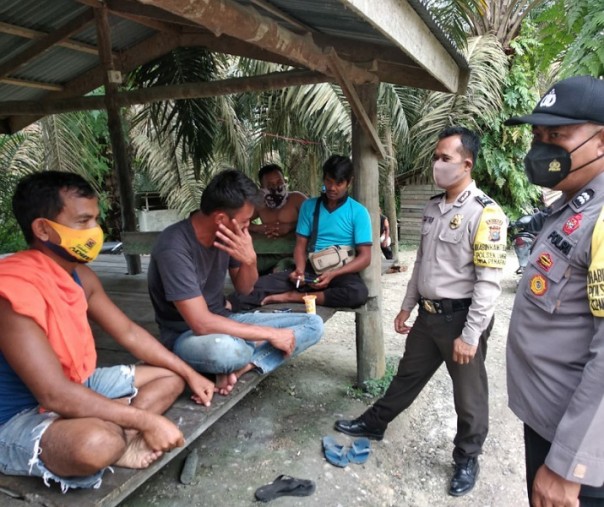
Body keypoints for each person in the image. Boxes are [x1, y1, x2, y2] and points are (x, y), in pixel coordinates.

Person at [0, 171, 215, 491]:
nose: (95, 231)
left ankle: (122, 442)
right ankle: (115, 439)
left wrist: (189, 373)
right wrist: (147, 420)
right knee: (95, 443)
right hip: (17, 416)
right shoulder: (12, 290)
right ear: (43, 229)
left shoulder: (81, 276)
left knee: (170, 377)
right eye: (83, 221)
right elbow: (53, 393)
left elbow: (128, 332)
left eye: (95, 220)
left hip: (75, 385)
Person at [334, 126, 507, 497]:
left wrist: (471, 335)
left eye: (445, 158)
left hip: (461, 319)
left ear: (466, 163)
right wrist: (407, 306)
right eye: (436, 157)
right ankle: (375, 423)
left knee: (469, 395)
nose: (436, 164)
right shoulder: (432, 206)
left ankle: (467, 457)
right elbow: (422, 264)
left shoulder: (486, 214)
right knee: (407, 376)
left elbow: (489, 283)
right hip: (428, 317)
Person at [504, 75, 604, 506]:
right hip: (551, 424)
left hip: (580, 452)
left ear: (601, 142)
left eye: (558, 135)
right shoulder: (571, 204)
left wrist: (568, 464)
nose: (542, 147)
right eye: (537, 135)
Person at [147, 169, 323, 396]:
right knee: (227, 351)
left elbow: (245, 288)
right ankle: (240, 358)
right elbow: (200, 323)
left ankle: (245, 366)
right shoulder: (174, 247)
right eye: (245, 221)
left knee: (313, 324)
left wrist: (250, 260)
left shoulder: (226, 235)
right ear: (221, 219)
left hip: (226, 320)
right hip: (187, 334)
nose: (248, 226)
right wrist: (269, 334)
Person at [228, 155, 371, 310]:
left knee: (358, 293)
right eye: (329, 181)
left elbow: (365, 257)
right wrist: (300, 271)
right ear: (323, 179)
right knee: (252, 289)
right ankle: (223, 308)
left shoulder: (358, 212)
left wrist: (333, 275)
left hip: (341, 273)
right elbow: (300, 246)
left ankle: (293, 297)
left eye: (339, 183)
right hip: (311, 270)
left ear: (349, 182)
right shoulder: (309, 206)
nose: (332, 187)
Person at [248, 164, 307, 275]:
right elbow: (237, 222)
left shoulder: (296, 199)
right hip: (270, 254)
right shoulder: (260, 204)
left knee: (281, 271)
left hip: (296, 254)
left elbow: (316, 221)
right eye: (270, 185)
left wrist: (290, 227)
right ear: (262, 188)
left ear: (284, 181)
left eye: (279, 182)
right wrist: (257, 228)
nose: (276, 188)